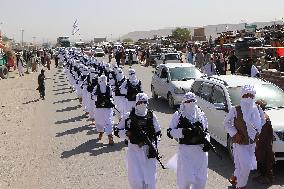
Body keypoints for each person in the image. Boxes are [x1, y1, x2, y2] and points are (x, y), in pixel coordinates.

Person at [114, 93, 161, 189]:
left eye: (144, 102)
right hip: (134, 151)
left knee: (151, 179)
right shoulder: (128, 116)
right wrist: (127, 134)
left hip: (149, 149)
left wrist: (155, 146)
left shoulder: (151, 115)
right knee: (136, 180)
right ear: (136, 102)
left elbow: (158, 133)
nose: (142, 104)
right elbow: (117, 130)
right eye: (140, 102)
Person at [224, 85, 265, 189]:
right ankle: (241, 186)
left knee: (240, 165)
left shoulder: (257, 109)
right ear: (242, 96)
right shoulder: (235, 109)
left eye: (251, 95)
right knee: (246, 166)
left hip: (252, 142)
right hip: (240, 143)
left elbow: (262, 120)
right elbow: (226, 123)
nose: (248, 98)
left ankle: (235, 178)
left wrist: (258, 131)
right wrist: (235, 134)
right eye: (246, 95)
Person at [167, 92, 209, 189]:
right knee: (186, 179)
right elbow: (169, 132)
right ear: (184, 102)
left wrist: (207, 141)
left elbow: (206, 131)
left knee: (201, 179)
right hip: (186, 150)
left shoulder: (201, 114)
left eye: (193, 101)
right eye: (188, 101)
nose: (190, 103)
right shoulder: (178, 115)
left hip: (200, 151)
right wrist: (183, 132)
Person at [254, 99, 275, 184]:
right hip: (260, 144)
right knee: (260, 160)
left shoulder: (264, 118)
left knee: (266, 160)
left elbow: (266, 134)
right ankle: (261, 175)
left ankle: (269, 178)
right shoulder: (258, 116)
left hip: (264, 144)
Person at [92, 75, 114, 145]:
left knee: (105, 121)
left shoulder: (106, 87)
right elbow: (93, 97)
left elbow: (111, 96)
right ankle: (103, 133)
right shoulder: (98, 87)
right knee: (103, 121)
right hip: (101, 108)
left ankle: (109, 136)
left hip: (104, 108)